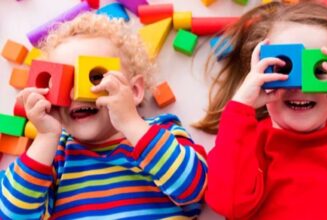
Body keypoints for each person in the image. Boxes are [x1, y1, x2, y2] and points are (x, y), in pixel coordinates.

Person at [0, 13, 207, 219]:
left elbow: (193, 188)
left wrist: (130, 122)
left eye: (95, 77)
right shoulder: (53, 156)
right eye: (63, 82)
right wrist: (45, 137)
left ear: (134, 91)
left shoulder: (162, 132)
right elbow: (12, 214)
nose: (75, 94)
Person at [199, 1, 327, 219]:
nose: (300, 86)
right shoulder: (247, 143)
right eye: (285, 68)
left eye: (318, 70)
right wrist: (241, 107)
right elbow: (227, 203)